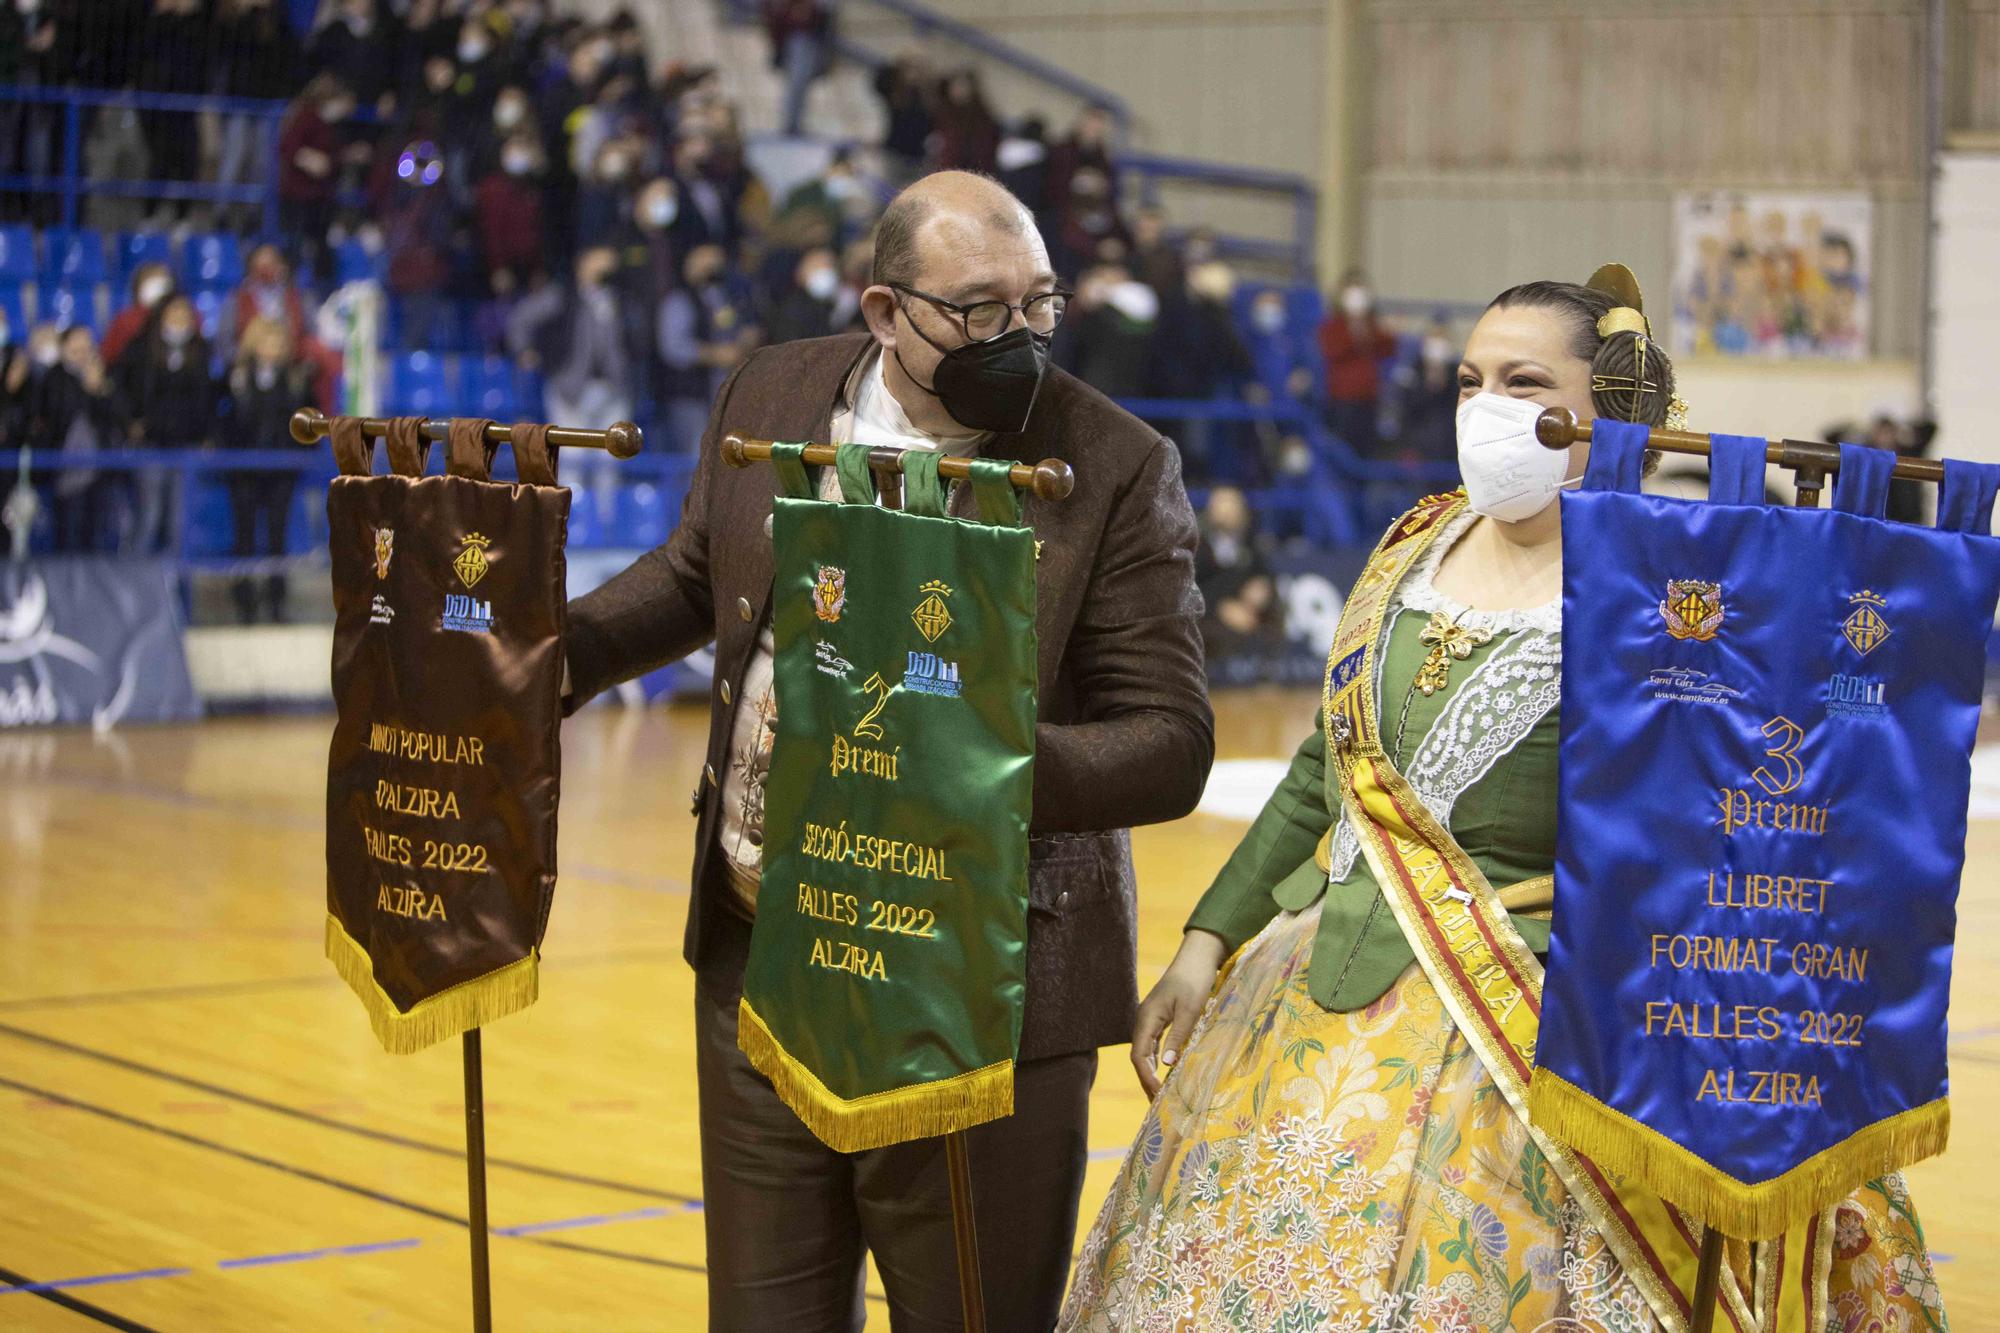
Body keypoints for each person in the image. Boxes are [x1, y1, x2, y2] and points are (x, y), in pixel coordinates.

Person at [1060, 274, 1949, 1333]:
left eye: (1523, 382)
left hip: (1551, 1022)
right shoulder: (1412, 545)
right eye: (1469, 380)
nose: (1485, 407)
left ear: (1607, 412)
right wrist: (1207, 940)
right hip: (1309, 992)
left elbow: (1732, 817)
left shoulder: (1672, 596)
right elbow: (1324, 769)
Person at [562, 170, 1213, 1332]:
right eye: (977, 310)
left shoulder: (1112, 462)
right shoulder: (774, 387)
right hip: (762, 965)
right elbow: (692, 574)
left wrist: (972, 766)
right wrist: (554, 662)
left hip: (985, 995)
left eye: (1038, 304)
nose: (1015, 336)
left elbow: (1168, 743)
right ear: (882, 311)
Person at [223, 317, 314, 623]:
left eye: (278, 343)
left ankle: (276, 602)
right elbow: (225, 421)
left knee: (277, 536)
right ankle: (244, 600)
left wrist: (295, 454)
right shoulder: (235, 378)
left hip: (281, 469)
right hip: (243, 468)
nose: (272, 349)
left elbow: (309, 424)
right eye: (266, 342)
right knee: (244, 535)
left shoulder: (296, 380)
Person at [120, 292, 217, 557]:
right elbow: (120, 389)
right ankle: (134, 586)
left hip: (187, 445)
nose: (180, 319)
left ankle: (177, 591)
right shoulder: (139, 349)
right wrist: (131, 423)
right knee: (149, 516)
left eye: (185, 313)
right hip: (150, 445)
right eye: (174, 312)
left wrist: (207, 435)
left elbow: (209, 397)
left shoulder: (202, 350)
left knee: (180, 522)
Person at [35, 326, 130, 554]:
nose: (82, 351)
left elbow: (118, 418)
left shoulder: (104, 378)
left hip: (101, 472)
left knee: (96, 539)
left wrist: (100, 390)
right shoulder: (55, 378)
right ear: (64, 348)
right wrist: (88, 389)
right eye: (75, 346)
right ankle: (66, 588)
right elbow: (60, 413)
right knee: (68, 539)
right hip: (66, 472)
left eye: (86, 345)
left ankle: (93, 588)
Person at [1318, 267, 1397, 456]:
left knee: (1367, 451)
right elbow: (1334, 350)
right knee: (1343, 451)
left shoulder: (1373, 326)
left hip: (1369, 401)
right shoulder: (1332, 326)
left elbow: (1388, 346)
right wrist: (1354, 327)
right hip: (1342, 402)